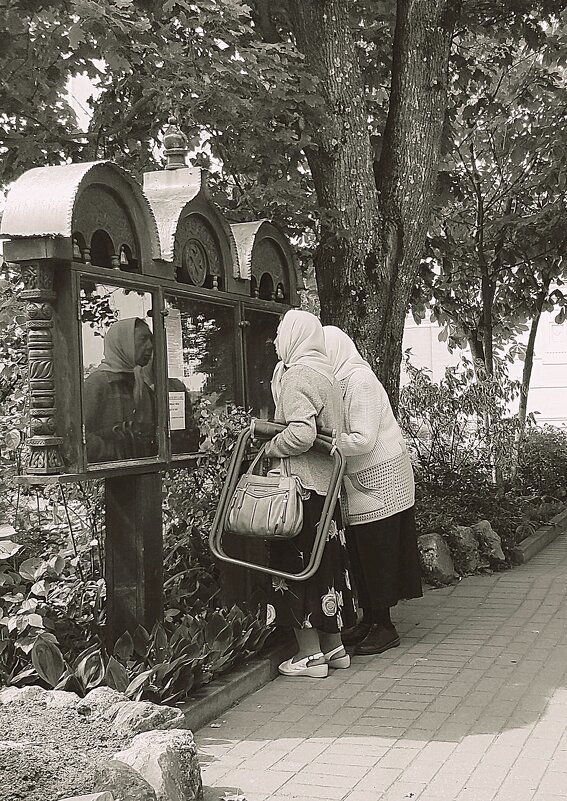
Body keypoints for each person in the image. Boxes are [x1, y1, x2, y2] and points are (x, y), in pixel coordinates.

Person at [260, 310, 357, 678]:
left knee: (295, 570)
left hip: (300, 490)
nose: (276, 339)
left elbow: (300, 434)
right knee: (326, 566)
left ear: (295, 336)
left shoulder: (297, 375)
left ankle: (309, 655)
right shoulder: (326, 373)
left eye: (281, 331)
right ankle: (335, 649)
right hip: (326, 490)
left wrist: (270, 448)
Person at [323, 325, 422, 655]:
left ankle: (385, 626)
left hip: (383, 482)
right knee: (364, 551)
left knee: (378, 551)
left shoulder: (360, 381)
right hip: (363, 485)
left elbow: (363, 440)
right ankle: (371, 619)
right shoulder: (342, 381)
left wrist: (325, 442)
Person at [83, 317, 156, 462]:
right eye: (143, 339)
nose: (150, 346)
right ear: (123, 343)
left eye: (151, 340)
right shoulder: (98, 383)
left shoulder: (141, 383)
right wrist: (114, 454)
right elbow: (79, 435)